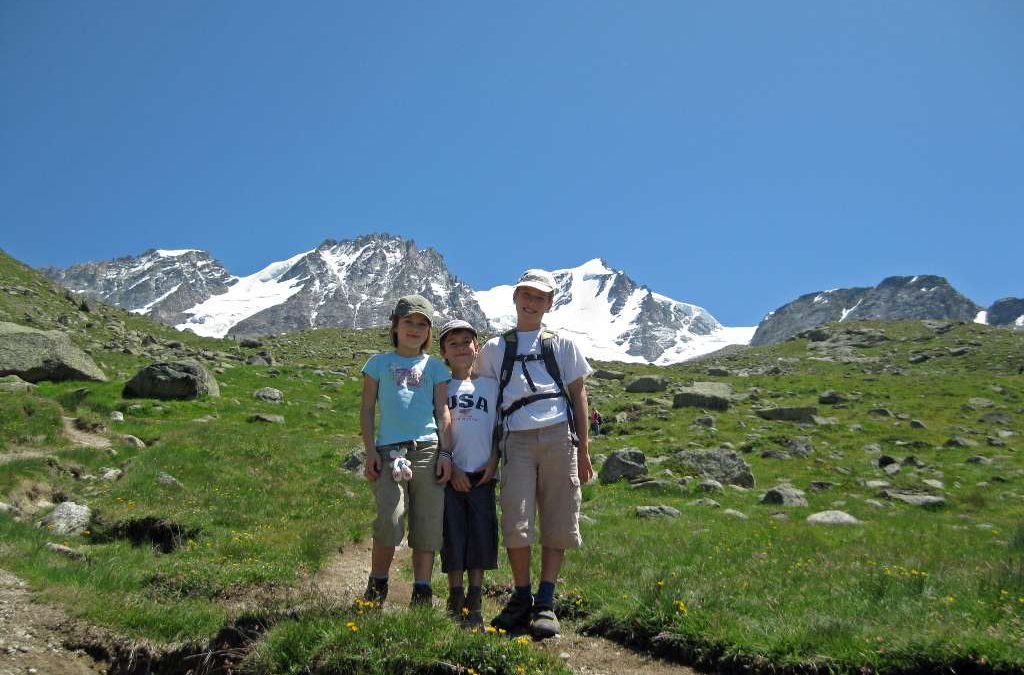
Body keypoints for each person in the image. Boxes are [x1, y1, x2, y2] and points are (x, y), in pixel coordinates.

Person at [475, 269, 593, 639]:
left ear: (549, 304)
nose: (531, 302)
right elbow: (486, 402)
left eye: (539, 297)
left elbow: (579, 397)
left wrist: (584, 450)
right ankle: (522, 597)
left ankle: (545, 601)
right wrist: (490, 454)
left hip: (561, 438)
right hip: (516, 441)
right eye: (526, 295)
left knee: (559, 517)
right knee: (517, 520)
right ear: (515, 298)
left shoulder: (563, 346)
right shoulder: (495, 349)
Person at [360, 294, 453, 607]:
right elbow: (367, 410)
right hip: (389, 452)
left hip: (428, 449)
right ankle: (378, 582)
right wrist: (370, 450)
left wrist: (445, 453)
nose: (415, 329)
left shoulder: (436, 367)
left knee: (427, 521)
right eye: (408, 322)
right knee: (391, 516)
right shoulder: (377, 364)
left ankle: (422, 590)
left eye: (422, 324)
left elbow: (443, 412)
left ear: (429, 331)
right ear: (395, 326)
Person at [437, 319, 499, 629]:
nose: (461, 348)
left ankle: (475, 602)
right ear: (444, 354)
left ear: (477, 347)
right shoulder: (441, 388)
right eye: (453, 344)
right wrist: (452, 468)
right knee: (454, 535)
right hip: (451, 474)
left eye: (466, 342)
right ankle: (455, 597)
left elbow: (499, 427)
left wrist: (495, 460)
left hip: (483, 475)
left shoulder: (490, 384)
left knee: (481, 536)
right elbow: (435, 431)